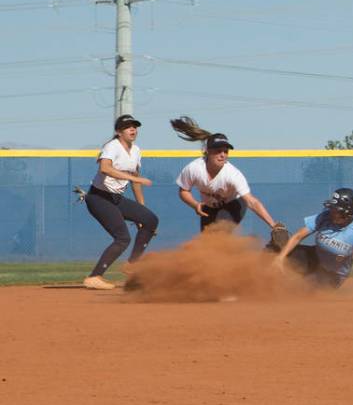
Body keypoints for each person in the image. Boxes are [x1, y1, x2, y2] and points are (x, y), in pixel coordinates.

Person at [170, 117, 285, 237]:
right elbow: (184, 191)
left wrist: (273, 224)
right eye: (218, 150)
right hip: (208, 208)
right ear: (207, 151)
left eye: (226, 151)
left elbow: (251, 201)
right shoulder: (194, 168)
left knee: (219, 234)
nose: (222, 155)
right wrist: (195, 204)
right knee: (206, 244)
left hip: (234, 204)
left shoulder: (232, 174)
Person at [82, 114, 159, 290]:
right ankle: (94, 277)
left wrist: (141, 208)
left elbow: (135, 179)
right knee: (122, 238)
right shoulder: (112, 146)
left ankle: (133, 265)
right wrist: (135, 179)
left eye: (135, 126)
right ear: (118, 131)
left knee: (150, 220)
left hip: (116, 199)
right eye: (128, 127)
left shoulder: (136, 151)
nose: (133, 129)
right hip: (99, 198)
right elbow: (105, 168)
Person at [272, 188, 353, 294]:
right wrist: (280, 257)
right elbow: (298, 236)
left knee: (299, 292)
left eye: (336, 209)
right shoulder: (325, 217)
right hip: (313, 257)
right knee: (274, 253)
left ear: (348, 212)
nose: (331, 211)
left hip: (332, 275)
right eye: (332, 208)